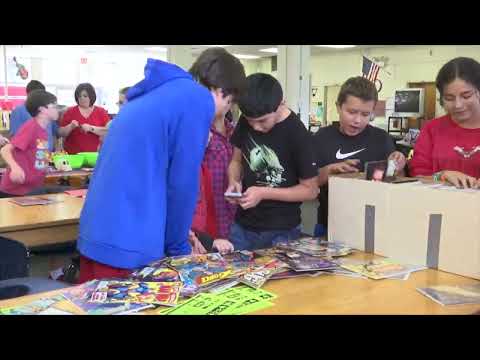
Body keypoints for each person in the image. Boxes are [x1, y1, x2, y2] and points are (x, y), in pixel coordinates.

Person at [77, 48, 246, 283]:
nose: (224, 112)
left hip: (100, 230)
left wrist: (181, 233)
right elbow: (183, 185)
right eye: (229, 103)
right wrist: (179, 250)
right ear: (221, 91)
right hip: (128, 242)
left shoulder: (157, 93)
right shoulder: (196, 101)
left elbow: (150, 172)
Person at [222, 73, 318, 252]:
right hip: (243, 226)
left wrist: (263, 193)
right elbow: (236, 161)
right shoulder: (246, 120)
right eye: (250, 122)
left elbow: (310, 190)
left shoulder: (297, 133)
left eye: (262, 121)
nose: (256, 127)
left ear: (281, 103)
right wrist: (234, 182)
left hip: (281, 231)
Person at [312, 76, 406, 236]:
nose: (357, 120)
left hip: (374, 224)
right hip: (330, 224)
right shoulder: (321, 138)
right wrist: (329, 171)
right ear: (338, 107)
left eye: (365, 114)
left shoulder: (382, 138)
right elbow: (309, 184)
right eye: (351, 112)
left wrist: (397, 167)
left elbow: (396, 183)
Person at [409, 57, 480, 188]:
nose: (458, 105)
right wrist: (441, 175)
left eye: (466, 96)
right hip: (439, 205)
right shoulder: (432, 129)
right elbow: (418, 177)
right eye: (449, 98)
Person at [0, 90, 59, 198]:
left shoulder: (44, 130)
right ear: (42, 109)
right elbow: (5, 150)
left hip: (32, 189)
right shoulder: (31, 127)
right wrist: (15, 167)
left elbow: (39, 157)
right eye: (54, 106)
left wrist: (45, 167)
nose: (57, 109)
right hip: (15, 191)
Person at [203, 95, 237, 243]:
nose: (225, 100)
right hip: (208, 219)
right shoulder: (199, 132)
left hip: (236, 219)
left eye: (228, 95)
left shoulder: (236, 132)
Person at [58, 83, 110, 154]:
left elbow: (108, 131)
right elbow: (60, 133)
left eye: (85, 96)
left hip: (95, 156)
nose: (82, 98)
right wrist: (70, 126)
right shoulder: (70, 111)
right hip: (73, 156)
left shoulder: (101, 112)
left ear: (91, 96)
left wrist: (91, 128)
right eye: (79, 96)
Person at [9, 80, 58, 152]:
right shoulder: (30, 125)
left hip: (44, 157)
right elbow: (12, 145)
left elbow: (55, 131)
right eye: (54, 106)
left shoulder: (43, 125)